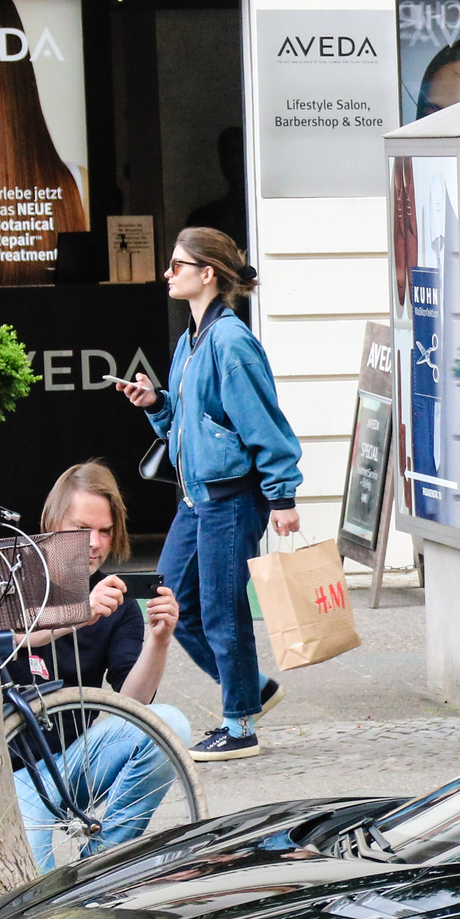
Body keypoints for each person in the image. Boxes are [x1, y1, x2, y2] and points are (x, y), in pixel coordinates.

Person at [118, 227, 301, 762]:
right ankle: (254, 691)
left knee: (223, 612)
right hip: (196, 497)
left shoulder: (231, 341)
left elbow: (263, 423)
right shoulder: (190, 341)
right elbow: (188, 421)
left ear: (208, 274)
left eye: (177, 265)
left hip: (231, 497)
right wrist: (154, 401)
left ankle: (239, 725)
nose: (168, 273)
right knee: (172, 604)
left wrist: (283, 497)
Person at [0, 462, 193, 871]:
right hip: (9, 774)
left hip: (73, 764)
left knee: (170, 723)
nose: (94, 543)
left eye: (104, 531)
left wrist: (158, 642)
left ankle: (100, 865)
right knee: (34, 882)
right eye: (82, 528)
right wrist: (75, 614)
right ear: (53, 522)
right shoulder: (13, 575)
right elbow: (1, 643)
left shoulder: (114, 602)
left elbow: (133, 708)